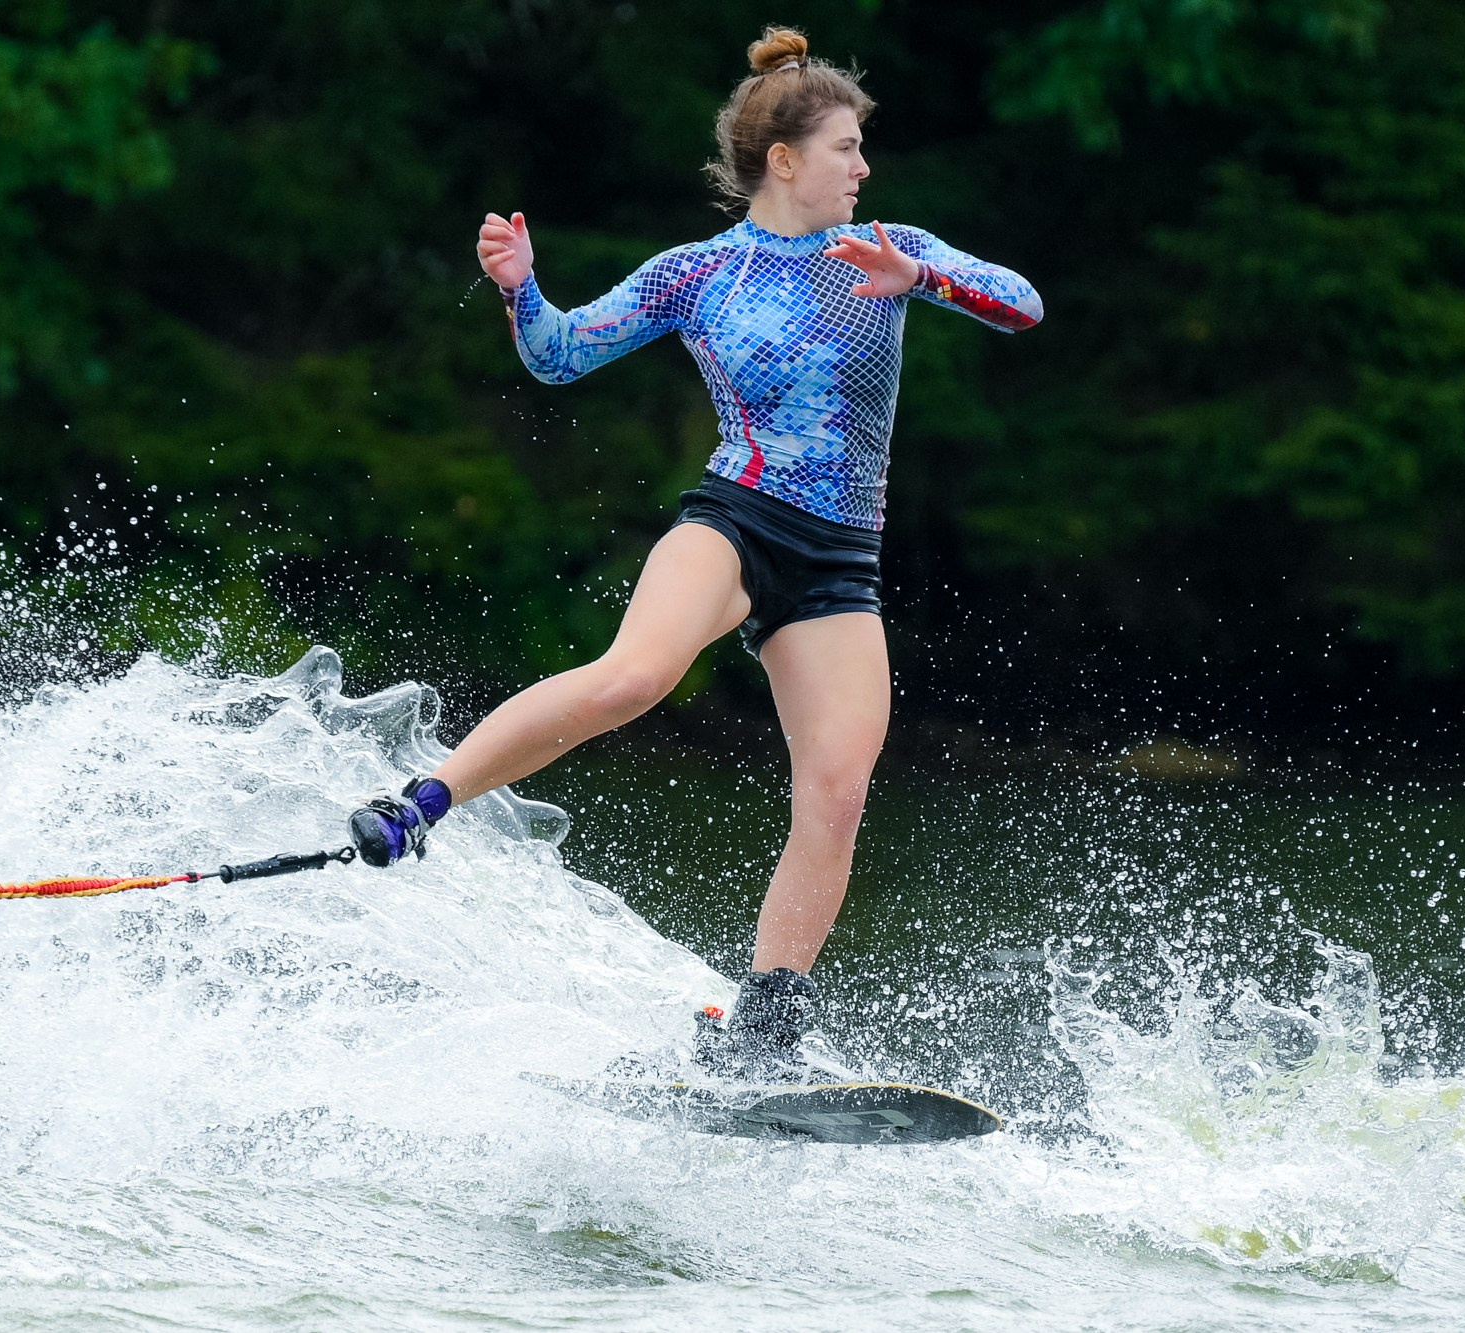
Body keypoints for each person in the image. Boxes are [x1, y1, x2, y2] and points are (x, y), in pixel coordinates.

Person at [348, 26, 1041, 1080]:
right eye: (846, 148)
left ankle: (759, 1031)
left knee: (838, 791)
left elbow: (1023, 306)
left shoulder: (894, 249)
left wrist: (921, 283)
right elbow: (559, 353)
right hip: (736, 519)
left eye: (862, 150)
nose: (862, 167)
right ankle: (421, 803)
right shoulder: (698, 273)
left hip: (838, 562)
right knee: (631, 677)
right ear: (785, 161)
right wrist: (519, 287)